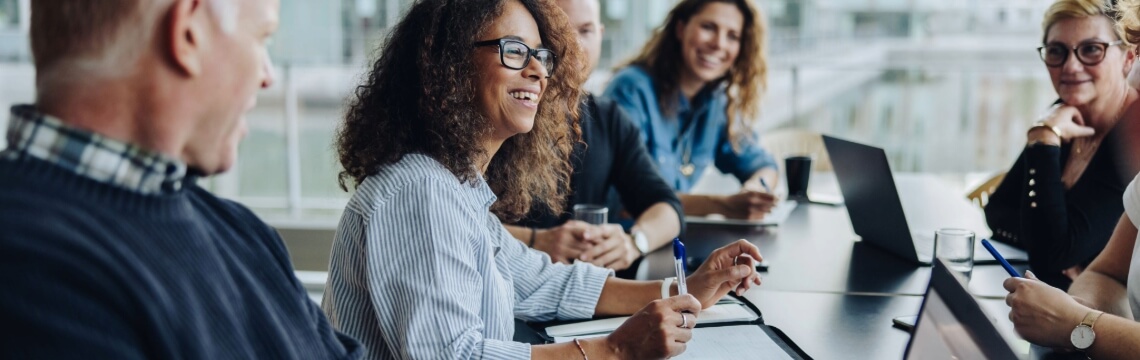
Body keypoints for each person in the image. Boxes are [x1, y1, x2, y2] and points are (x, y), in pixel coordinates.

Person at [322, 1, 763, 358]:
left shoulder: (457, 186)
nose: (538, 70)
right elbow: (453, 356)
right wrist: (615, 349)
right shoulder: (419, 192)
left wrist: (689, 288)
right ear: (449, 63)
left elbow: (544, 282)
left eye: (541, 55)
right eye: (514, 50)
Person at [0, 0, 362, 358]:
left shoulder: (244, 233)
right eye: (261, 37)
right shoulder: (28, 266)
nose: (268, 75)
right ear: (189, 33)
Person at [502, 0, 683, 272]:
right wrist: (536, 241)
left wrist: (635, 242)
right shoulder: (503, 114)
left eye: (585, 31)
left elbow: (667, 207)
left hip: (587, 296)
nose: (572, 45)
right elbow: (454, 217)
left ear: (600, 35)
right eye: (557, 30)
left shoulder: (609, 118)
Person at [985, 0, 1139, 289]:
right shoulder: (1063, 115)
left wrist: (1043, 140)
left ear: (1128, 58)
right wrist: (1050, 243)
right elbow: (997, 211)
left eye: (1092, 49)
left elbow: (1050, 255)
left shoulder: (1132, 135)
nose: (1070, 66)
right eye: (1057, 51)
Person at [603, 0, 779, 221]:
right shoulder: (631, 90)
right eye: (708, 27)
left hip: (675, 239)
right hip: (624, 243)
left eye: (732, 36)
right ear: (680, 29)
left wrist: (756, 190)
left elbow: (763, 165)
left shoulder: (717, 102)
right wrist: (722, 206)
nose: (719, 44)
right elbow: (628, 200)